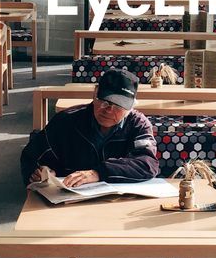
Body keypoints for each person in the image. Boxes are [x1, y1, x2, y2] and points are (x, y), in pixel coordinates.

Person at [21, 66, 158, 188]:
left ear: (131, 106)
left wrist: (98, 173)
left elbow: (148, 163)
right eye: (104, 102)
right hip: (69, 202)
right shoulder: (66, 121)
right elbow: (31, 156)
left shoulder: (138, 124)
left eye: (118, 106)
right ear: (95, 93)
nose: (109, 110)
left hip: (119, 203)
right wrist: (39, 172)